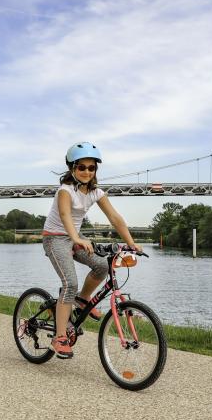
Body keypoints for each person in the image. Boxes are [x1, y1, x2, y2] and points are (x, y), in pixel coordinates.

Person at [42, 142, 142, 359]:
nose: (87, 171)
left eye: (91, 167)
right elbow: (66, 216)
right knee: (70, 283)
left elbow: (114, 218)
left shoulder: (95, 192)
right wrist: (77, 237)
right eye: (81, 167)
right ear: (72, 169)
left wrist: (131, 243)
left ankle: (83, 300)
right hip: (55, 239)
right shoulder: (65, 191)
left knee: (102, 266)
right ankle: (59, 337)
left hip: (74, 238)